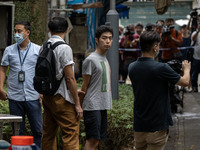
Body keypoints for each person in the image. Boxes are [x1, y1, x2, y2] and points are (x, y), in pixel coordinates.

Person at [128, 31, 191, 150]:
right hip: (157, 125)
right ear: (155, 47)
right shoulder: (161, 68)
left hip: (139, 125)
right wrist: (186, 69)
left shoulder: (132, 67)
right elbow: (185, 82)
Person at [41, 17, 83, 150]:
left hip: (48, 96)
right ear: (66, 29)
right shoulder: (64, 48)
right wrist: (77, 104)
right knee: (70, 133)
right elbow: (70, 78)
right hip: (62, 98)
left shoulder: (44, 45)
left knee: (48, 134)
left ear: (49, 29)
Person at [0, 21, 42, 148]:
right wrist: (0, 87)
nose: (16, 34)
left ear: (27, 32)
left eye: (19, 31)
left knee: (38, 130)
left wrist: (42, 92)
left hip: (33, 95)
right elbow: (3, 69)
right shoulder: (9, 50)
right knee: (18, 132)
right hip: (14, 96)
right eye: (15, 31)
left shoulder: (38, 50)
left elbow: (42, 72)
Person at [79, 25, 113, 150]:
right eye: (104, 38)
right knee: (92, 140)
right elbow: (84, 86)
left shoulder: (104, 58)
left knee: (97, 141)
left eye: (110, 38)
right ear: (97, 40)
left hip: (102, 104)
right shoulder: (90, 60)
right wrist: (79, 107)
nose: (108, 41)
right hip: (92, 105)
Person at [191, 23, 200, 92]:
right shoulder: (195, 33)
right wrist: (198, 31)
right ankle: (194, 86)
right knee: (195, 73)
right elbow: (193, 39)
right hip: (196, 57)